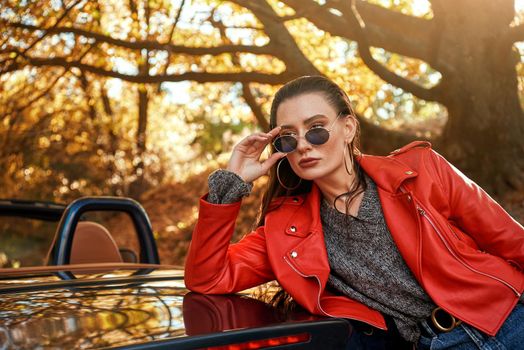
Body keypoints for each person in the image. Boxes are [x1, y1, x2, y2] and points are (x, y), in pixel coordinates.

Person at [184, 75, 524, 349]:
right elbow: (208, 278)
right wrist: (229, 186)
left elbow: (510, 241)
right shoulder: (284, 230)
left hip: (509, 321)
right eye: (288, 138)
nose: (303, 144)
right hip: (435, 343)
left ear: (348, 128)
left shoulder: (420, 171)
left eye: (316, 129)